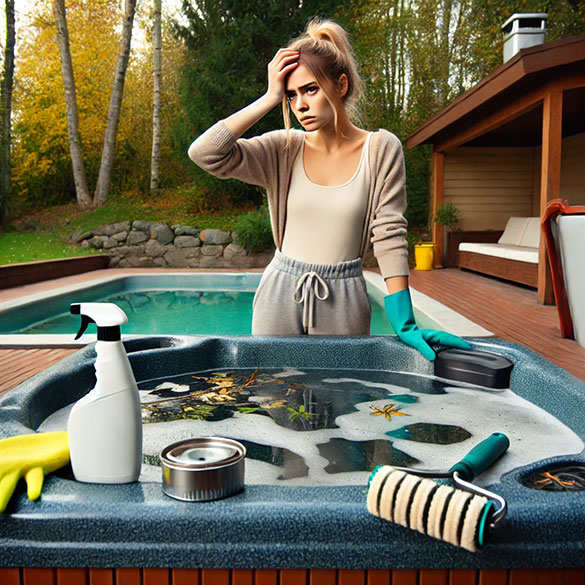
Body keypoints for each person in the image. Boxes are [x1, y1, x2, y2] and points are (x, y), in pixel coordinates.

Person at [188, 18, 470, 360]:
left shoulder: (381, 148)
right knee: (273, 400)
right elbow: (205, 153)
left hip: (344, 299)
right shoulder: (284, 148)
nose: (300, 105)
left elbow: (389, 232)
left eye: (310, 89)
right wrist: (268, 98)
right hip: (279, 294)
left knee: (340, 404)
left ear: (341, 85)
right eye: (291, 95)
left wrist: (404, 321)